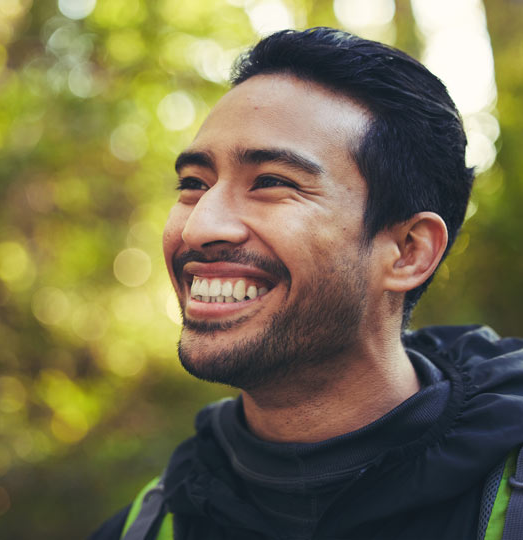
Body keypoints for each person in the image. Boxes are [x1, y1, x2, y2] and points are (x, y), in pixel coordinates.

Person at [90, 27, 523, 540]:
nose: (198, 226)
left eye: (271, 182)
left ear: (408, 252)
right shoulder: (148, 525)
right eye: (193, 185)